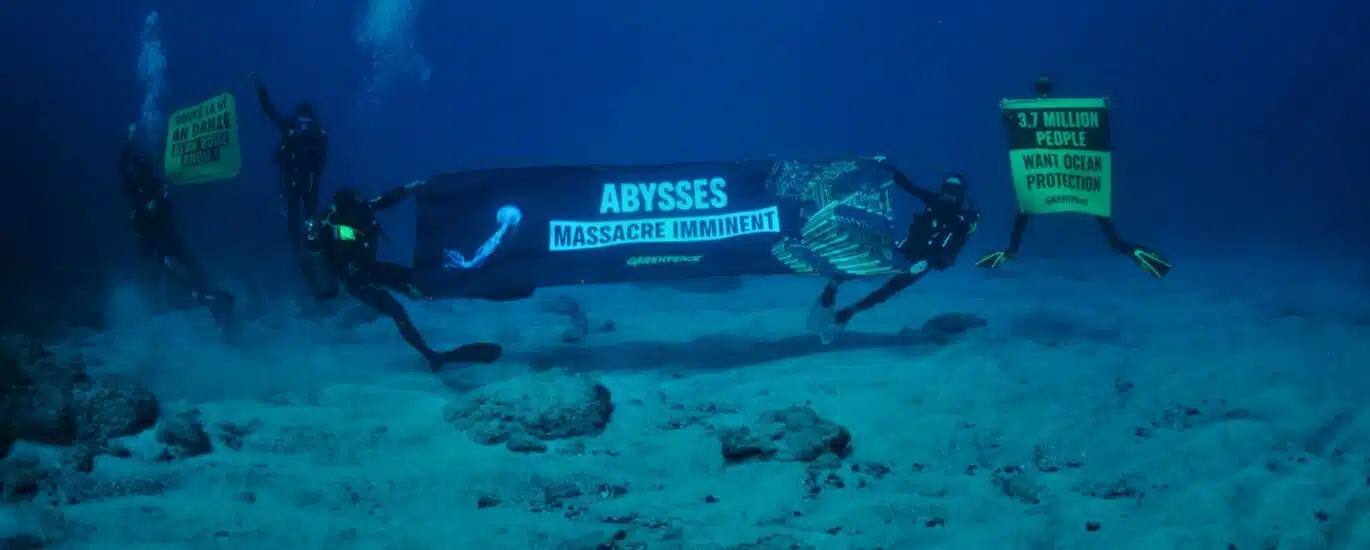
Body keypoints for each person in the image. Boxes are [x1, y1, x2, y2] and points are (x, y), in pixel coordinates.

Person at [974, 73, 1172, 279]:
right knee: (1100, 219)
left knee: (1025, 211)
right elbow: (1098, 137)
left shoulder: (1033, 113)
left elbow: (1013, 133)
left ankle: (1011, 250)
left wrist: (1007, 114)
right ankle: (1129, 249)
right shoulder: (1054, 111)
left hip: (1045, 179)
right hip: (1075, 179)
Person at [306, 180, 503, 370]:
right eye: (359, 206)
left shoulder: (360, 211)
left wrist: (409, 188)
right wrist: (401, 287)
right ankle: (431, 356)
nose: (366, 209)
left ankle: (437, 293)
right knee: (397, 311)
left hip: (368, 267)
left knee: (414, 278)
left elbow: (383, 200)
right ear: (349, 212)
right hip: (356, 278)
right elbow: (351, 263)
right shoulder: (341, 232)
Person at [808, 168, 981, 343]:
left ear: (961, 195)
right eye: (946, 189)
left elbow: (955, 247)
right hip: (906, 249)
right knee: (866, 267)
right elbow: (908, 186)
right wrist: (890, 170)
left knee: (889, 290)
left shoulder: (964, 220)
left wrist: (936, 260)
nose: (948, 195)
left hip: (924, 261)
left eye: (954, 192)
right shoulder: (934, 201)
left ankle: (848, 311)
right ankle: (832, 288)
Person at [120, 124, 237, 330]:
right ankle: (207, 299)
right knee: (182, 275)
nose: (144, 174)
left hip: (163, 239)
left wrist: (129, 142)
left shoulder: (155, 187)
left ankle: (210, 300)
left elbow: (125, 172)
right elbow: (124, 171)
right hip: (158, 242)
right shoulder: (148, 187)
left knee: (188, 272)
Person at [247, 73, 328, 255]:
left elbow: (271, 112)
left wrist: (260, 91)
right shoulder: (318, 132)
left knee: (293, 209)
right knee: (309, 209)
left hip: (292, 175)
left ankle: (296, 246)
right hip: (309, 177)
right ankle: (311, 241)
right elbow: (320, 165)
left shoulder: (290, 124)